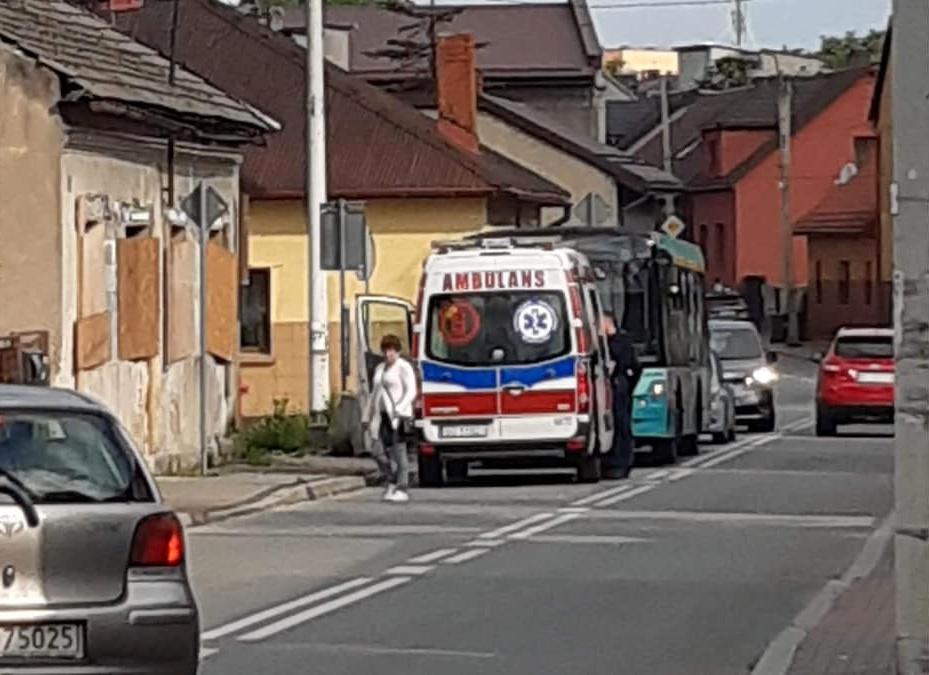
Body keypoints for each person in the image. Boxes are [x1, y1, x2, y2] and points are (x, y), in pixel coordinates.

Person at [363, 334, 417, 503]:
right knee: (377, 451)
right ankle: (392, 479)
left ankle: (402, 487)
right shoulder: (380, 368)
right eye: (386, 351)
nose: (389, 354)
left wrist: (400, 408)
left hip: (397, 417)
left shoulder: (403, 367)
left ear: (398, 351)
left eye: (392, 350)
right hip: (381, 416)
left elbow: (411, 391)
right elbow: (374, 393)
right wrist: (366, 415)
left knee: (399, 453)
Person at [601, 313, 641, 480]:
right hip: (609, 387)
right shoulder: (602, 342)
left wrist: (627, 385)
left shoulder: (620, 342)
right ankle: (610, 462)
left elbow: (635, 367)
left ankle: (621, 463)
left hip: (619, 387)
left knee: (621, 425)